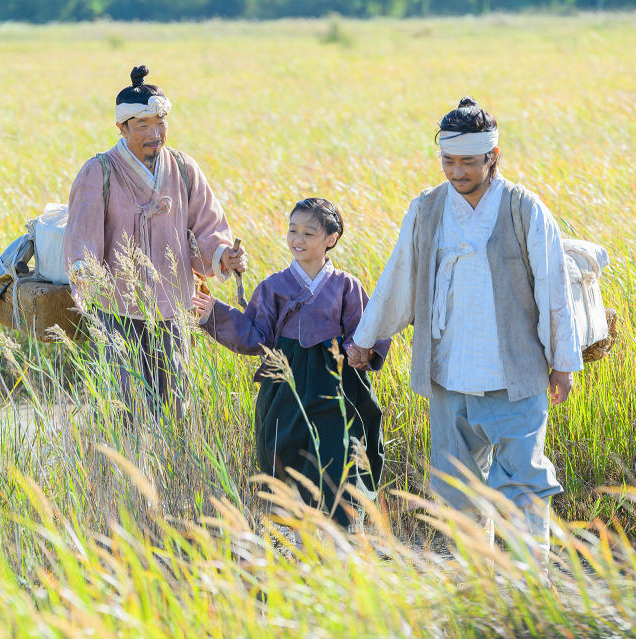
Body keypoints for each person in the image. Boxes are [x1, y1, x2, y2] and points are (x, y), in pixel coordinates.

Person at [346, 98, 583, 562]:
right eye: (448, 161)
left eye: (468, 162)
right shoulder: (428, 208)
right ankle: (478, 583)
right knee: (456, 488)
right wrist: (364, 338)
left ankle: (530, 582)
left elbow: (553, 288)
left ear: (493, 157)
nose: (456, 172)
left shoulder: (524, 208)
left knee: (522, 484)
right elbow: (400, 276)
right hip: (449, 370)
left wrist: (563, 363)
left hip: (515, 372)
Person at [63, 65, 246, 421]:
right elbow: (82, 237)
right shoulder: (98, 172)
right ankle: (124, 473)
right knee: (124, 406)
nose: (155, 133)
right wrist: (84, 275)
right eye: (143, 125)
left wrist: (225, 253)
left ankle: (171, 473)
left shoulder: (183, 167)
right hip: (117, 309)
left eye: (160, 122)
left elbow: (208, 225)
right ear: (122, 127)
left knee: (176, 404)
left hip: (173, 307)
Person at [192, 198, 391, 527]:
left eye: (309, 233)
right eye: (292, 230)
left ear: (331, 238)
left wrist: (361, 349)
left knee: (342, 453)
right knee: (284, 452)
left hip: (336, 386)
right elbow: (254, 335)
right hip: (287, 385)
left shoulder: (346, 286)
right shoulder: (274, 287)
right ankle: (288, 537)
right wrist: (215, 313)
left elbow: (367, 329)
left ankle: (345, 534)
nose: (297, 239)